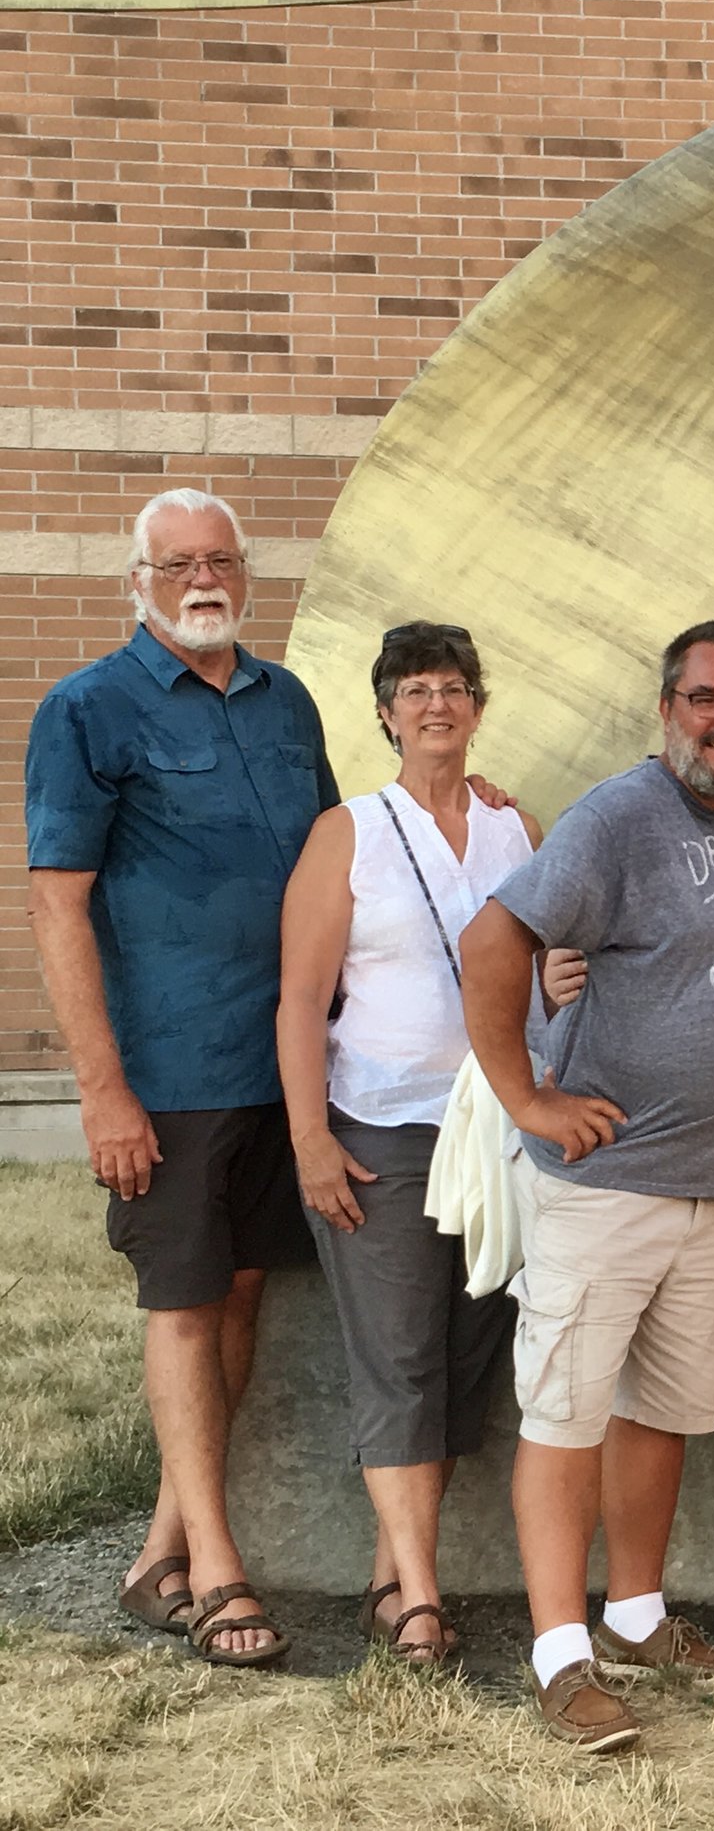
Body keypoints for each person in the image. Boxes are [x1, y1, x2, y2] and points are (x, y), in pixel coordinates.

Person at [460, 620, 714, 1752]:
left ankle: (639, 1615)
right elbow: (494, 941)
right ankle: (560, 1653)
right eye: (706, 699)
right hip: (610, 1182)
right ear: (666, 708)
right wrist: (530, 1097)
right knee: (565, 1410)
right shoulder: (617, 816)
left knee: (664, 1407)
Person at [23, 488, 336, 1669]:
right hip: (168, 1068)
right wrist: (100, 1090)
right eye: (177, 563)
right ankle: (216, 1568)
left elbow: (337, 850)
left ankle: (164, 1549)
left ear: (244, 573)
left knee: (244, 1291)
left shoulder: (287, 700)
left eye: (220, 560)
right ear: (137, 580)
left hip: (282, 1065)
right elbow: (56, 903)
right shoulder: (87, 709)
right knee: (183, 1300)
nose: (203, 578)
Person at [272, 622, 548, 1666]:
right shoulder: (349, 831)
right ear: (385, 710)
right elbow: (301, 999)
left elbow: (552, 955)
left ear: (478, 705)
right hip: (380, 1128)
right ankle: (421, 1599)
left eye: (455, 687)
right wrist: (309, 1138)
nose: (438, 705)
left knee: (465, 1355)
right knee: (396, 1359)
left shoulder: (515, 824)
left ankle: (397, 1570)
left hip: (497, 1128)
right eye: (415, 689)